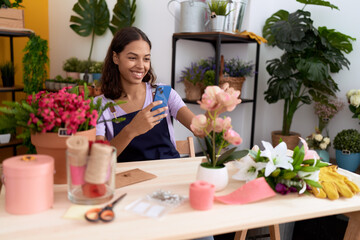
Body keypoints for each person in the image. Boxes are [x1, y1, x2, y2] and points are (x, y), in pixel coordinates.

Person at [95, 26, 196, 162]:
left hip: (169, 172)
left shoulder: (163, 94)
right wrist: (131, 130)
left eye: (146, 59)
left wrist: (216, 107)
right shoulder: (100, 106)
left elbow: (200, 129)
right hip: (129, 178)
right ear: (115, 57)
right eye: (132, 58)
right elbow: (98, 159)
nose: (141, 66)